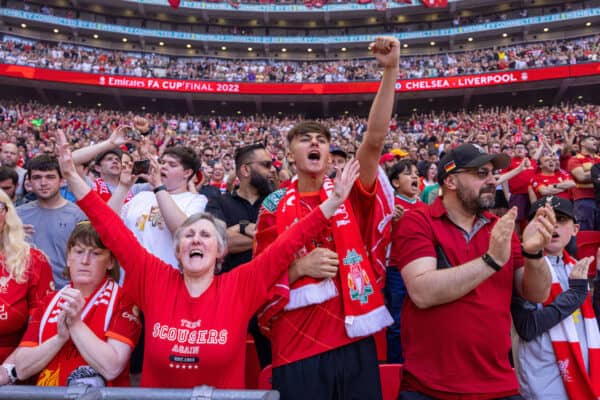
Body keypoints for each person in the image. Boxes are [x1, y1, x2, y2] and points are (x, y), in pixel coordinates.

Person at [53, 128, 361, 389]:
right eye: (188, 235)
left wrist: (332, 204)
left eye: (205, 235)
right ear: (177, 250)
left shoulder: (241, 284)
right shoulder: (153, 277)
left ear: (221, 251)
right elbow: (109, 226)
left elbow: (288, 244)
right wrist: (71, 175)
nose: (196, 239)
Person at [254, 36, 398, 400]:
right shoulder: (272, 205)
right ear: (289, 154)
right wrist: (299, 269)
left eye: (321, 139)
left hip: (353, 337)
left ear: (330, 155)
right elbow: (257, 279)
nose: (315, 143)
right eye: (305, 139)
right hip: (295, 346)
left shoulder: (349, 190)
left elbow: (375, 140)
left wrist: (391, 70)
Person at [394, 143, 555, 399]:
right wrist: (490, 260)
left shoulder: (500, 229)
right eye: (481, 173)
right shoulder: (419, 221)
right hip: (430, 388)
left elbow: (537, 294)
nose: (492, 180)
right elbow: (422, 292)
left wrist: (534, 254)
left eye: (492, 173)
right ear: (450, 181)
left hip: (498, 384)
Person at [14, 222, 142, 386]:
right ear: (68, 258)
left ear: (110, 262)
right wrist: (59, 339)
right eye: (79, 252)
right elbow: (22, 368)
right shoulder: (49, 300)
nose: (85, 260)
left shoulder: (124, 301)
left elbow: (112, 367)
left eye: (95, 253)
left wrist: (75, 324)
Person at [512, 196, 600, 400]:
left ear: (576, 229)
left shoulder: (576, 266)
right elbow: (528, 327)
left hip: (585, 374)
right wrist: (574, 294)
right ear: (529, 227)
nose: (552, 225)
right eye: (543, 218)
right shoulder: (521, 267)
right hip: (542, 383)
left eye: (560, 219)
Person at [206, 143, 277, 368]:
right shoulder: (219, 201)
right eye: (266, 165)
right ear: (245, 170)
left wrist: (238, 229)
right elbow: (217, 243)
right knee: (224, 366)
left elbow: (284, 240)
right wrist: (262, 234)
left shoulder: (279, 200)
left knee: (273, 368)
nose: (272, 170)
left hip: (271, 295)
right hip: (230, 296)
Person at [109, 146, 207, 268]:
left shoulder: (196, 201)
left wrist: (158, 186)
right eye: (162, 162)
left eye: (172, 164)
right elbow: (107, 222)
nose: (163, 167)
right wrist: (123, 187)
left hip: (164, 279)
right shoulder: (142, 196)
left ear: (187, 173)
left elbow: (183, 232)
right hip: (127, 278)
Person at [0, 189, 54, 386]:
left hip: (16, 369)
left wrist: (7, 370)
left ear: (8, 214)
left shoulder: (33, 260)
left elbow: (39, 324)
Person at [17, 155, 86, 289]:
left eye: (50, 177)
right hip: (25, 292)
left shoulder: (77, 215)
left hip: (64, 293)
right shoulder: (17, 215)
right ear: (29, 182)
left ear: (61, 181)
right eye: (37, 177)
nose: (43, 183)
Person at [386, 159, 426, 363]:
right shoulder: (389, 206)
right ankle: (396, 365)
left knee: (423, 320)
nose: (414, 177)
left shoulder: (424, 207)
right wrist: (388, 220)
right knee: (398, 321)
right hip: (397, 271)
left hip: (423, 271)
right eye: (408, 173)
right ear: (395, 183)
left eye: (416, 173)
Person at [567, 136, 600, 231]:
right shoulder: (575, 159)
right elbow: (581, 177)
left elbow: (586, 175)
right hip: (584, 199)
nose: (596, 142)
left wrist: (593, 174)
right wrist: (597, 173)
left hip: (598, 199)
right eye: (592, 139)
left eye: (596, 140)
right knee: (585, 230)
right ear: (582, 143)